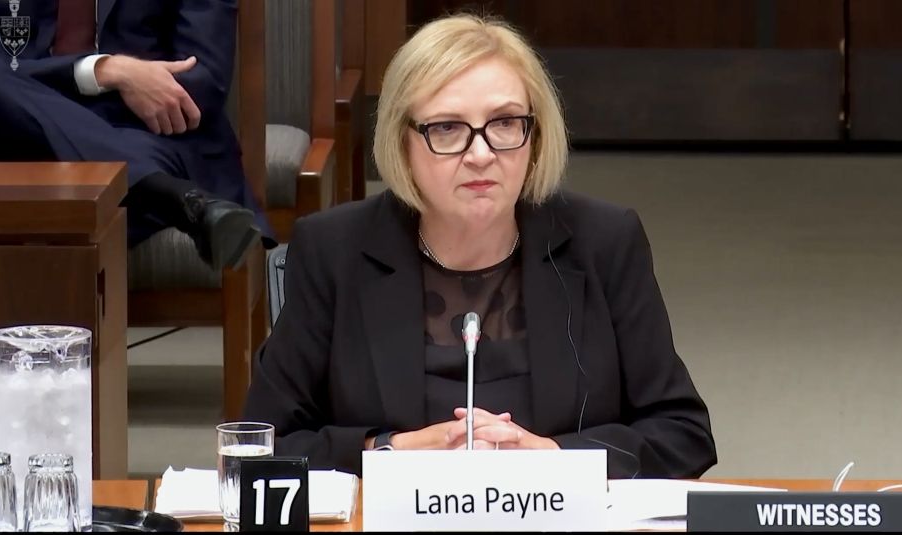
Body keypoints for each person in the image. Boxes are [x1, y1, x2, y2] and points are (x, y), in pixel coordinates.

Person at [243, 13, 716, 479]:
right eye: (447, 128)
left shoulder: (604, 242)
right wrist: (388, 452)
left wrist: (555, 459)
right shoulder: (334, 250)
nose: (481, 154)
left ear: (535, 134)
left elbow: (682, 436)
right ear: (401, 141)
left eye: (505, 123)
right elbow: (262, 444)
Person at [0, 0, 271, 269]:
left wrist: (130, 84)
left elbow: (203, 81)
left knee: (73, 198)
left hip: (146, 134)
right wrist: (104, 71)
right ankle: (172, 195)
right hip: (20, 132)